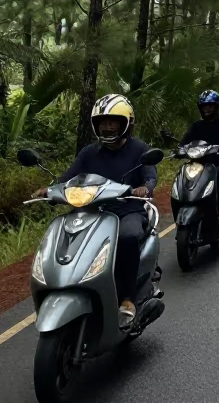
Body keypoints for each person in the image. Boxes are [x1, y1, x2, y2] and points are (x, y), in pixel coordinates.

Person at [32, 94, 156, 330]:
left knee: (128, 237)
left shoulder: (139, 149)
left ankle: (127, 298)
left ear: (126, 123)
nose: (107, 126)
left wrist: (145, 188)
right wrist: (50, 190)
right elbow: (68, 178)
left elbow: (150, 176)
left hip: (127, 211)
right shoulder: (90, 152)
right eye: (102, 122)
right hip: (91, 211)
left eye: (113, 121)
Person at [180, 89, 219, 222]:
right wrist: (179, 149)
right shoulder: (196, 126)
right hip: (198, 162)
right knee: (183, 175)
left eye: (210, 106)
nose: (207, 109)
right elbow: (184, 142)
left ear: (216, 107)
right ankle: (186, 203)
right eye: (204, 106)